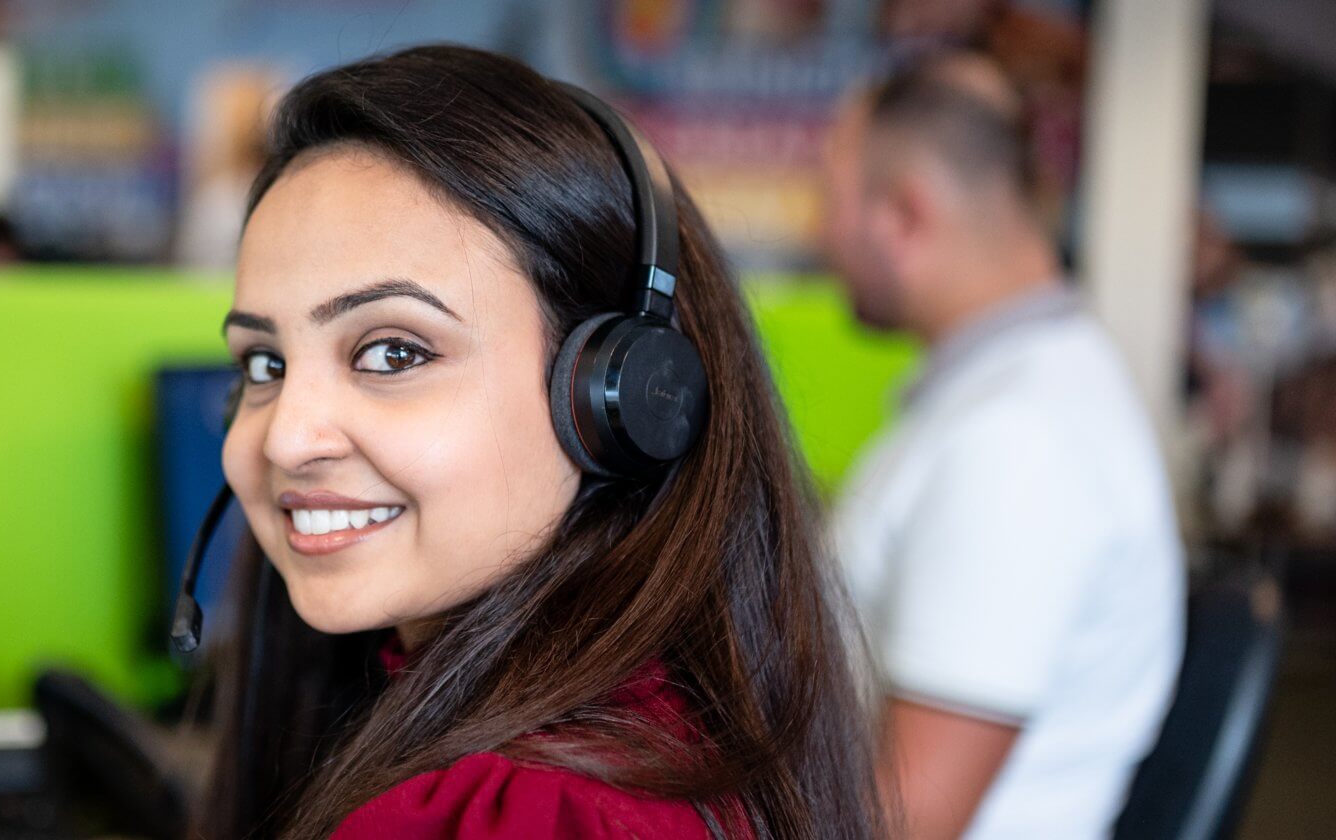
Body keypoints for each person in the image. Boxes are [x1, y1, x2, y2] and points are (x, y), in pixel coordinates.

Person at [195, 45, 880, 838]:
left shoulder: (515, 813)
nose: (285, 437)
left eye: (393, 353)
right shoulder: (651, 740)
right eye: (265, 362)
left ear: (615, 398)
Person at [819, 51, 1184, 839]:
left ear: (903, 216)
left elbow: (903, 822)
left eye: (833, 198)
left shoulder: (1019, 444)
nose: (819, 231)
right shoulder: (1013, 395)